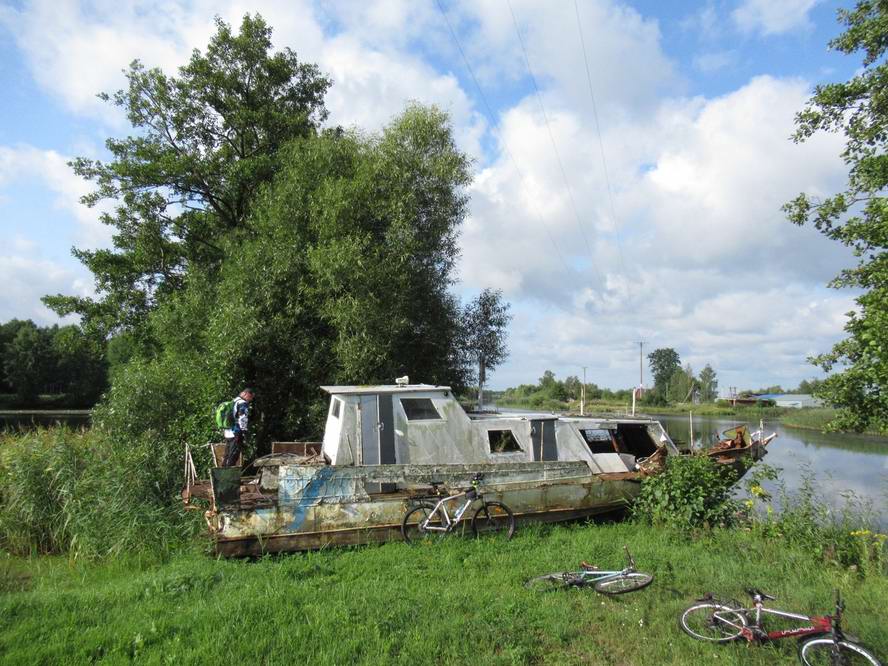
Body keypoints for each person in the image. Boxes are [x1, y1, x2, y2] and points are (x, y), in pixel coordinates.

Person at [223, 388, 254, 467]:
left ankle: (222, 474)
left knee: (227, 454)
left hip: (227, 432)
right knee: (233, 455)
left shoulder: (233, 401)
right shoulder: (242, 403)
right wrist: (244, 431)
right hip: (236, 432)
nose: (250, 400)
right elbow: (242, 418)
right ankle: (228, 475)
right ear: (246, 394)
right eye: (250, 397)